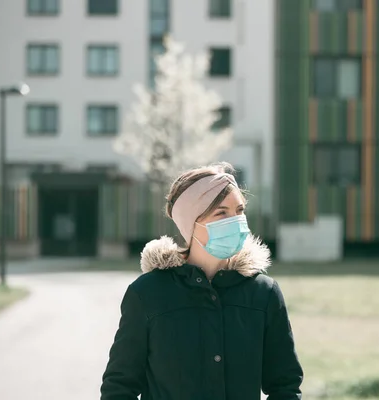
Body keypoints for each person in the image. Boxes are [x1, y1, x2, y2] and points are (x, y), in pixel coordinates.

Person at [100, 162, 303, 400]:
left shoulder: (263, 293)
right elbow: (119, 386)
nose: (236, 221)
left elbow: (285, 386)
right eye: (221, 213)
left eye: (240, 210)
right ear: (191, 223)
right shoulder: (148, 293)